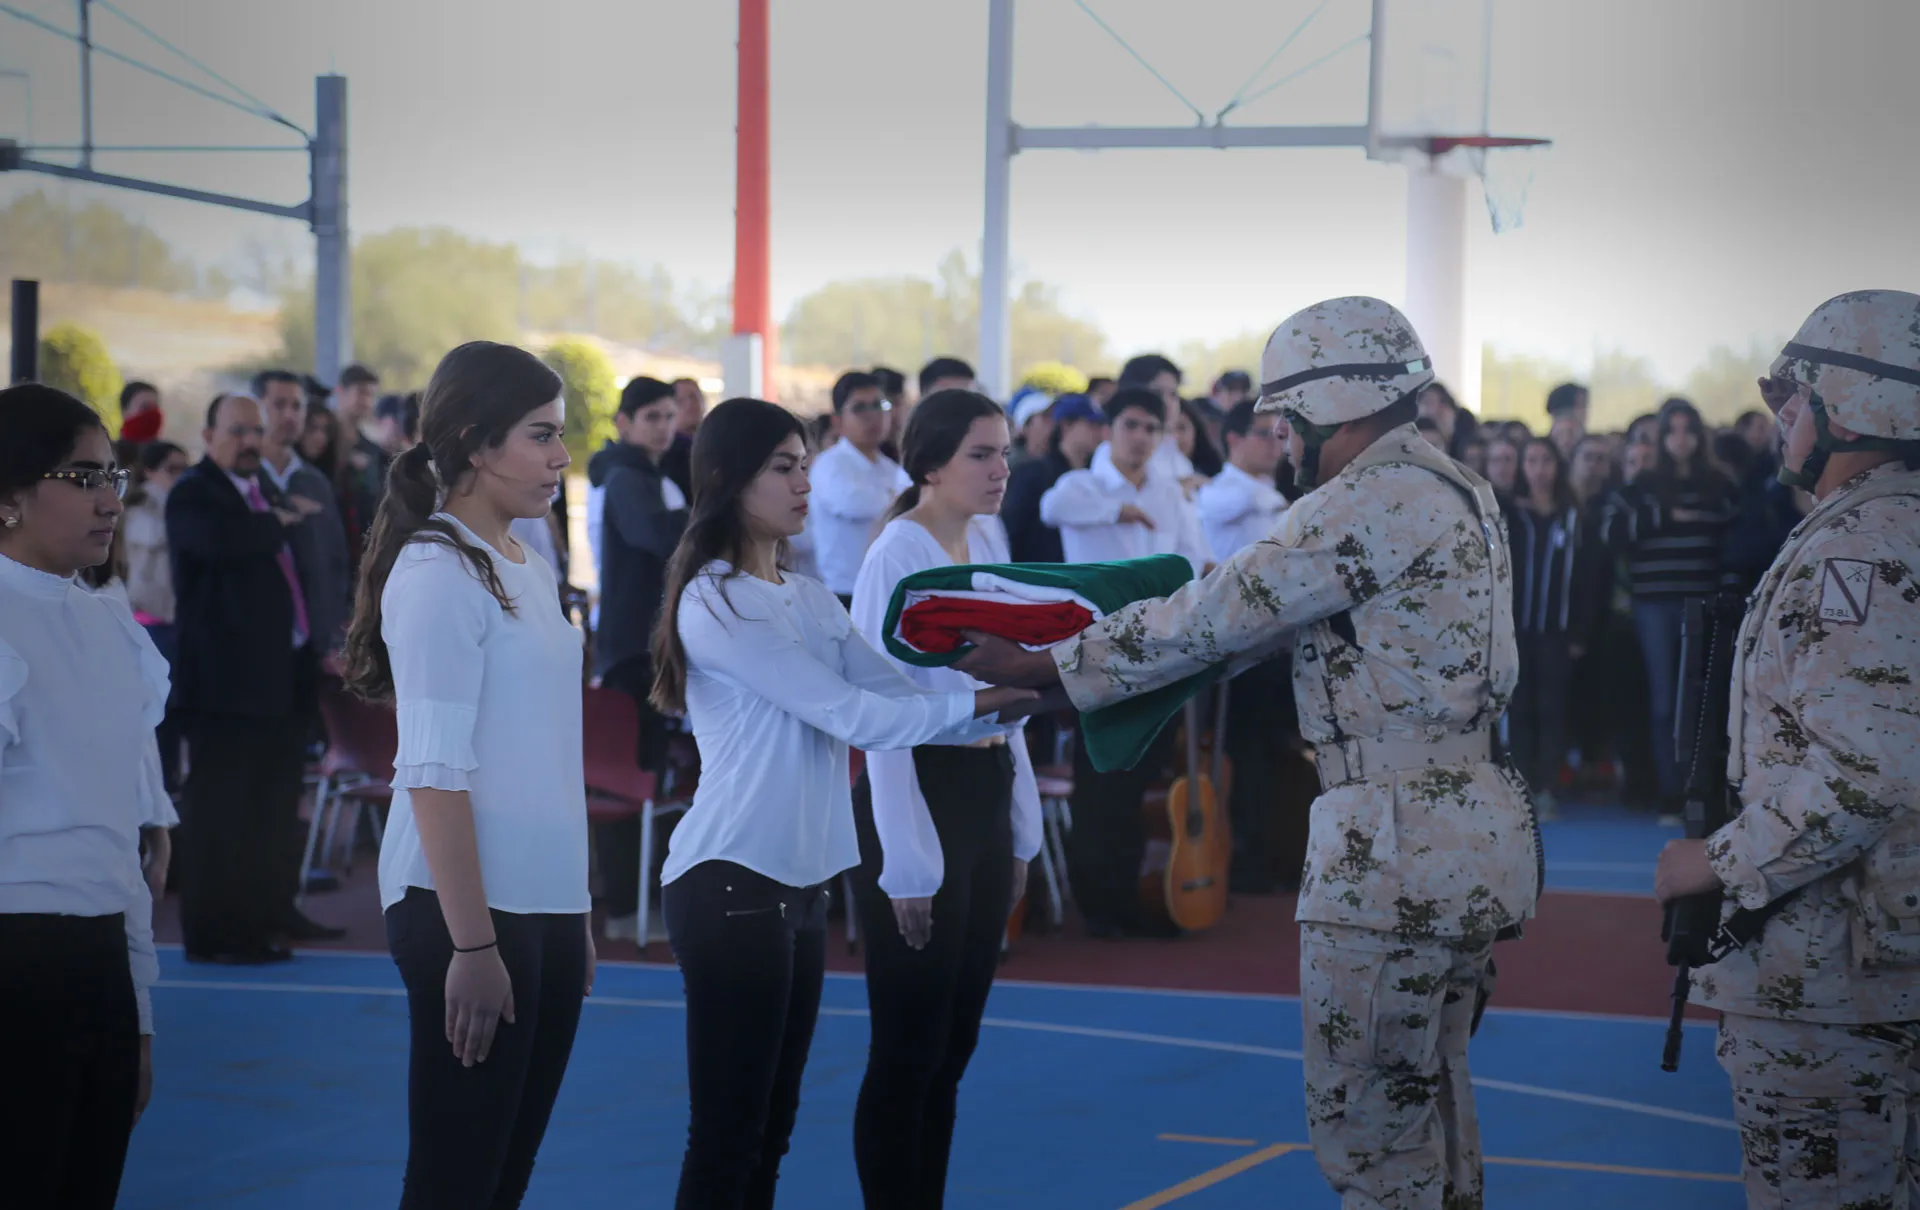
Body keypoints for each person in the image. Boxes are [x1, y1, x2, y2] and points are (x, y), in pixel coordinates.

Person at [957, 296, 1540, 1210]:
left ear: (1336, 406)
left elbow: (1220, 610)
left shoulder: (1365, 499)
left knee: (1375, 1135)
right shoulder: (1453, 485)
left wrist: (1045, 666)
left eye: (1288, 416)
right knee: (1435, 1106)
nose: (1280, 435)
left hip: (1391, 843)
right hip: (1467, 824)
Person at [647, 397, 1038, 1210]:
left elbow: (899, 688)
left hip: (798, 886)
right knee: (728, 1134)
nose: (803, 481)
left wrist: (1036, 684)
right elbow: (861, 717)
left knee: (772, 1126)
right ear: (727, 480)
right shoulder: (717, 602)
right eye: (783, 467)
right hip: (730, 881)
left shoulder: (806, 596)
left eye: (803, 462)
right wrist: (995, 700)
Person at [1654, 289, 1920, 1210]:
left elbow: (1862, 773)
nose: (1781, 422)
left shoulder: (1863, 551)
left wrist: (1711, 863)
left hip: (1833, 983)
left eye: (1796, 402)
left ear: (1858, 408)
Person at [343, 341, 592, 1210]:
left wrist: (575, 913)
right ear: (476, 444)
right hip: (469, 911)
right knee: (458, 1177)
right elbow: (433, 774)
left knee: (505, 1173)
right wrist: (475, 942)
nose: (562, 457)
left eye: (561, 435)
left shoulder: (528, 560)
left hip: (541, 904)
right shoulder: (439, 570)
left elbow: (548, 751)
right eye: (542, 436)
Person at [846, 390, 1045, 1209]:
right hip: (916, 799)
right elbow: (880, 713)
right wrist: (906, 862)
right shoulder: (896, 554)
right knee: (908, 1048)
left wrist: (1024, 832)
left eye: (1004, 453)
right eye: (981, 454)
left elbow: (1018, 689)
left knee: (954, 1044)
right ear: (930, 463)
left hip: (983, 794)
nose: (1001, 470)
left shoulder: (989, 539)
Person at [0, 383, 169, 1209]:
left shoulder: (110, 628)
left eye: (116, 478)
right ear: (10, 496)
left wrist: (135, 1011)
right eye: (84, 478)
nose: (111, 500)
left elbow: (121, 850)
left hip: (98, 968)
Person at [167, 393, 342, 962]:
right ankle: (216, 934)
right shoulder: (194, 492)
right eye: (238, 430)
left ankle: (269, 913)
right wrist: (278, 522)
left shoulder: (257, 490)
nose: (248, 441)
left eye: (255, 431)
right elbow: (218, 544)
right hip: (225, 690)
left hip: (279, 680)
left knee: (272, 807)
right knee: (222, 815)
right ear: (208, 432)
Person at [588, 376, 689, 942]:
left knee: (645, 773)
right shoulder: (626, 478)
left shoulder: (652, 476)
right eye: (651, 415)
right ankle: (626, 909)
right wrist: (707, 517)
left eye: (670, 415)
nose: (664, 426)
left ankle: (635, 902)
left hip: (647, 648)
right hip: (631, 652)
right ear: (624, 422)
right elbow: (658, 537)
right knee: (627, 780)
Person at [811, 371, 909, 608]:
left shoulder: (890, 467)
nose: (873, 416)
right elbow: (852, 503)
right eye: (860, 408)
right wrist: (896, 499)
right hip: (845, 595)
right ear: (838, 421)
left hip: (886, 589)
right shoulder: (830, 464)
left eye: (879, 405)